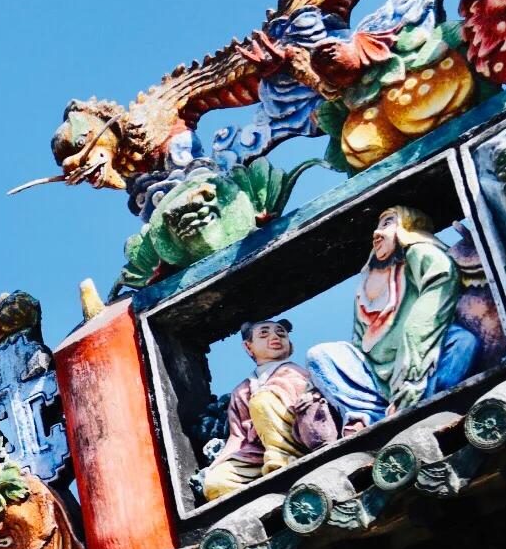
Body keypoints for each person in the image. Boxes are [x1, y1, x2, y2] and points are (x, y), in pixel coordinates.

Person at [307, 206, 480, 432]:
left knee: (464, 342)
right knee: (320, 355)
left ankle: (421, 403)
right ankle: (370, 415)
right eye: (378, 227)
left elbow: (440, 285)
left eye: (387, 224)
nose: (376, 234)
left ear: (407, 228)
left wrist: (413, 367)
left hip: (422, 354)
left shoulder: (418, 254)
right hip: (375, 369)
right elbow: (360, 339)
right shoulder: (368, 280)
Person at [198, 319, 337, 501]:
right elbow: (238, 436)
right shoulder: (241, 391)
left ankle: (285, 461)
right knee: (216, 483)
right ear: (249, 347)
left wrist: (313, 396)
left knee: (262, 399)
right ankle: (262, 491)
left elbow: (319, 400)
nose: (274, 337)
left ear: (290, 344)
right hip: (259, 452)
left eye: (281, 334)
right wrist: (215, 467)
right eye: (264, 334)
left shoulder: (296, 372)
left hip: (299, 438)